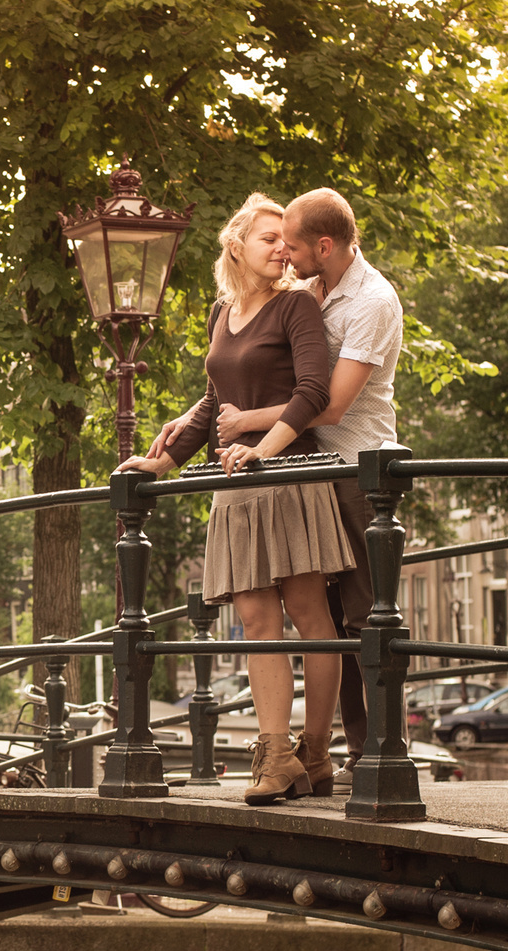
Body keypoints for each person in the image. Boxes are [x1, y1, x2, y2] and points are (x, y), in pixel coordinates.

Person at [125, 192, 354, 804]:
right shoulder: (221, 312)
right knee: (255, 621)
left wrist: (262, 449)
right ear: (236, 245)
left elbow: (314, 392)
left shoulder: (295, 306)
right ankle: (275, 755)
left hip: (288, 476)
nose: (283, 249)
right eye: (269, 238)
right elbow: (214, 400)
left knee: (309, 616)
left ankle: (315, 752)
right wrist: (163, 460)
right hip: (235, 484)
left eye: (287, 240)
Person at [283, 188, 405, 779]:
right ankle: (331, 752)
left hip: (361, 472)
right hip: (313, 470)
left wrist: (252, 422)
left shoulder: (373, 301)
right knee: (326, 618)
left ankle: (377, 752)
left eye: (293, 244)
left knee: (366, 614)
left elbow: (331, 407)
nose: (285, 253)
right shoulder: (309, 290)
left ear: (325, 245)